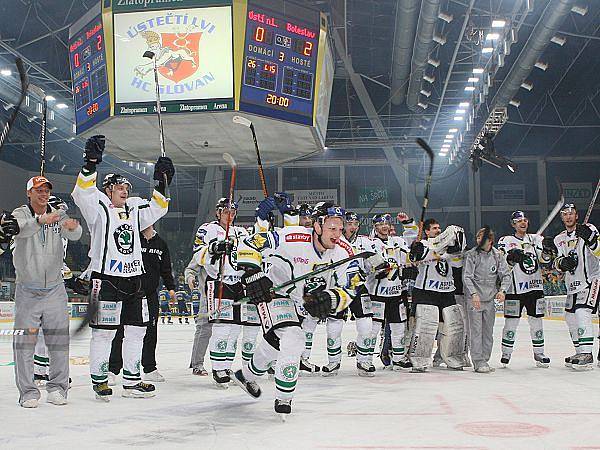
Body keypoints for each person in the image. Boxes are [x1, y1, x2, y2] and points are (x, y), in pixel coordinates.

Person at [232, 203, 361, 415]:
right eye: (331, 228)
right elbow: (249, 244)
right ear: (318, 226)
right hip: (274, 293)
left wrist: (331, 299)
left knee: (275, 343)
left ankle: (246, 376)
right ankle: (284, 400)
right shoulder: (292, 237)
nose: (337, 234)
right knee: (293, 338)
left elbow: (352, 285)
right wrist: (253, 275)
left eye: (340, 228)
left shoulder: (344, 250)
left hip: (300, 302)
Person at [72, 134, 174, 400]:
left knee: (137, 330)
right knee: (104, 335)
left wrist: (162, 182)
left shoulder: (134, 208)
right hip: (104, 280)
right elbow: (82, 192)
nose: (125, 190)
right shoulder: (97, 207)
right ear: (107, 190)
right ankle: (100, 381)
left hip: (134, 280)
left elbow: (158, 208)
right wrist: (91, 163)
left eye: (127, 187)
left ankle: (131, 381)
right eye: (119, 187)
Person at [10, 175, 82, 407]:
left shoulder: (58, 213)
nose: (43, 194)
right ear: (29, 193)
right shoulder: (20, 213)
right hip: (27, 290)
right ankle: (28, 392)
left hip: (54, 288)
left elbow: (74, 234)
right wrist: (41, 221)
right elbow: (19, 230)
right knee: (24, 344)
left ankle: (58, 387)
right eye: (39, 190)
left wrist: (73, 227)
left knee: (59, 342)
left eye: (46, 190)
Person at [188, 198, 259, 388]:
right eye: (226, 211)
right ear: (218, 212)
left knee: (234, 330)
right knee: (221, 328)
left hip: (238, 284)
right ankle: (218, 369)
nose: (230, 215)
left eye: (233, 212)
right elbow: (197, 254)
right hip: (218, 282)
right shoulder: (206, 229)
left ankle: (227, 367)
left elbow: (253, 252)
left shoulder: (242, 232)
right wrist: (213, 249)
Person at [108, 224, 176, 383]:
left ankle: (150, 368)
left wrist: (171, 288)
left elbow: (166, 269)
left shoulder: (161, 243)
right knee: (120, 331)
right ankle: (113, 369)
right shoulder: (131, 239)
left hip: (150, 295)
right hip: (128, 293)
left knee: (151, 332)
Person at [322, 211, 379, 376]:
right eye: (349, 224)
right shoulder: (331, 239)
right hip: (337, 287)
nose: (352, 227)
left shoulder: (367, 242)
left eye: (355, 224)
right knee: (334, 327)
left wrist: (381, 267)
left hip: (358, 286)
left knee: (366, 325)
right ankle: (333, 362)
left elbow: (375, 262)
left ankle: (364, 361)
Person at [408, 219, 465, 372]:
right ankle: (419, 361)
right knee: (426, 327)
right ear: (426, 231)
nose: (438, 230)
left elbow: (457, 264)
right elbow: (418, 257)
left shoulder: (448, 248)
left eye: (439, 228)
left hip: (447, 291)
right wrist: (415, 251)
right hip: (426, 292)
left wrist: (455, 249)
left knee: (454, 327)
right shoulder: (424, 245)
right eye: (434, 228)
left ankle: (453, 358)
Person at [497, 211, 553, 368]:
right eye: (518, 220)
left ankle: (539, 353)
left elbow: (545, 260)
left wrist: (548, 251)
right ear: (513, 224)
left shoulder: (536, 239)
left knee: (536, 322)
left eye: (525, 220)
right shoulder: (506, 241)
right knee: (511, 323)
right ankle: (506, 353)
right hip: (514, 290)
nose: (523, 223)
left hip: (535, 288)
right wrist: (510, 258)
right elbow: (502, 262)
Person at [553, 204, 600, 370]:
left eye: (571, 213)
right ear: (562, 217)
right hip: (572, 284)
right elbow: (557, 262)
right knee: (570, 317)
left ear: (577, 216)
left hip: (591, 279)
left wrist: (591, 239)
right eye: (565, 214)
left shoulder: (589, 228)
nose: (568, 216)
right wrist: (562, 263)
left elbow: (599, 251)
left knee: (582, 312)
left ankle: (587, 353)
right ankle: (580, 351)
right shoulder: (559, 239)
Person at [366, 213, 411, 370]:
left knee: (399, 327)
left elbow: (408, 256)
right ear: (375, 226)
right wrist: (376, 268)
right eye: (380, 224)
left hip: (396, 293)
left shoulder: (397, 241)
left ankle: (398, 358)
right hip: (377, 294)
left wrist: (410, 262)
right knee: (373, 329)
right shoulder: (370, 243)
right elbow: (367, 265)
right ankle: (366, 360)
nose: (384, 226)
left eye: (386, 223)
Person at [462, 227, 511, 373]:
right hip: (474, 299)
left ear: (490, 241)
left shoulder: (498, 256)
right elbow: (467, 276)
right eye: (477, 238)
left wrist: (502, 290)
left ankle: (485, 358)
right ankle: (478, 361)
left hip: (489, 299)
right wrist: (473, 294)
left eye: (481, 238)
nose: (478, 241)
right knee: (476, 331)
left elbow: (506, 275)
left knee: (488, 332)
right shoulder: (471, 255)